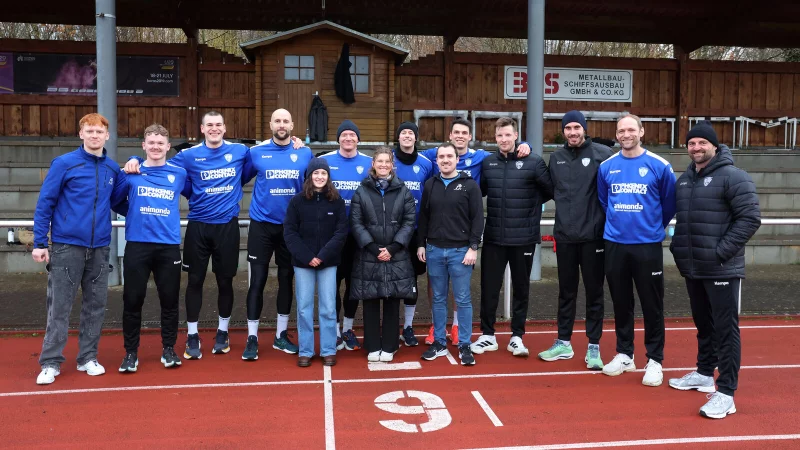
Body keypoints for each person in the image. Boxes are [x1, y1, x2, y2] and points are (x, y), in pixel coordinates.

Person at [124, 111, 248, 359]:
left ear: (225, 128)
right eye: (209, 125)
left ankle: (222, 332)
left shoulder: (240, 152)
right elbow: (156, 160)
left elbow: (264, 159)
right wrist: (134, 158)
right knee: (194, 281)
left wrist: (296, 143)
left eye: (218, 125)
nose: (214, 128)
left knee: (225, 281)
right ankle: (192, 334)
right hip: (198, 227)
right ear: (202, 129)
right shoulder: (187, 156)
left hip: (227, 226)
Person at [668, 122, 761, 419]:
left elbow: (750, 219)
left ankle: (726, 392)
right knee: (703, 325)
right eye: (691, 143)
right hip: (693, 268)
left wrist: (720, 252)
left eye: (702, 143)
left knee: (725, 330)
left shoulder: (734, 177)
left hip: (721, 268)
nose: (696, 148)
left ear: (714, 146)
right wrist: (678, 250)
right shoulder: (684, 180)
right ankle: (704, 372)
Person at [419, 118, 532, 345]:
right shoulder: (434, 155)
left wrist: (526, 144)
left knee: (461, 292)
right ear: (450, 136)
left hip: (461, 237)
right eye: (456, 132)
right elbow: (407, 148)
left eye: (464, 132)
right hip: (436, 237)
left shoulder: (481, 157)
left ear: (470, 137)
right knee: (436, 288)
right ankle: (436, 326)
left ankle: (457, 328)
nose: (460, 136)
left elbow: (506, 147)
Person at [32, 113, 121, 385]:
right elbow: (45, 202)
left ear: (107, 136)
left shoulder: (112, 170)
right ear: (81, 134)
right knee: (59, 307)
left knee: (96, 306)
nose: (95, 135)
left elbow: (119, 202)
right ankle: (50, 362)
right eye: (89, 131)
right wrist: (39, 242)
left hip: (99, 248)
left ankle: (88, 358)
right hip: (66, 247)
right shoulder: (64, 164)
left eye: (99, 131)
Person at [597, 113, 676, 387]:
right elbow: (605, 202)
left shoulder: (660, 165)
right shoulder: (607, 167)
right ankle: (624, 353)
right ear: (616, 135)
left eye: (631, 129)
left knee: (652, 304)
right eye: (621, 130)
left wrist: (652, 226)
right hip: (616, 244)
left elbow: (668, 205)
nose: (626, 134)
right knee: (621, 302)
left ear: (642, 132)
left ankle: (655, 359)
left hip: (647, 246)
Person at [537, 110, 612, 370]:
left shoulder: (602, 154)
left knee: (594, 293)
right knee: (566, 292)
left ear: (584, 129)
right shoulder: (555, 158)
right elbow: (547, 189)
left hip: (593, 238)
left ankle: (594, 346)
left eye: (576, 127)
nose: (572, 132)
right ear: (563, 131)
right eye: (568, 128)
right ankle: (563, 342)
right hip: (565, 238)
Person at [472, 117, 553, 357]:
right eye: (499, 136)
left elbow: (549, 191)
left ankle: (517, 336)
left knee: (521, 289)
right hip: (495, 237)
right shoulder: (488, 163)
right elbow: (480, 191)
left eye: (508, 135)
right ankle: (488, 335)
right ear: (495, 138)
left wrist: (528, 209)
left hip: (524, 239)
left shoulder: (534, 161)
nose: (504, 139)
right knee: (488, 288)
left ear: (516, 136)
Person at [111, 124, 187, 372]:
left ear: (167, 147)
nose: (155, 147)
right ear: (144, 146)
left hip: (168, 247)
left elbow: (196, 195)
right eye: (150, 143)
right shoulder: (131, 172)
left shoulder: (179, 174)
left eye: (160, 143)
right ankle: (131, 353)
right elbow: (116, 201)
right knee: (132, 300)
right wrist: (133, 213)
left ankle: (168, 349)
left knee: (170, 301)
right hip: (138, 246)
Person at [241, 109, 312, 360]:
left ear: (292, 125)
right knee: (257, 281)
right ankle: (252, 337)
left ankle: (281, 335)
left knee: (285, 280)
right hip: (261, 226)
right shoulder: (256, 153)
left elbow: (310, 186)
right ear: (270, 124)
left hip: (290, 228)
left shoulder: (304, 152)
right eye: (277, 121)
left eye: (285, 121)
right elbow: (239, 178)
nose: (281, 125)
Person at [418, 142, 484, 366]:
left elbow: (477, 218)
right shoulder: (430, 185)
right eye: (441, 157)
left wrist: (473, 247)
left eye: (449, 156)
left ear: (457, 159)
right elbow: (424, 217)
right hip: (434, 250)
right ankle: (438, 341)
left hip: (460, 252)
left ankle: (465, 344)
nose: (445, 160)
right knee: (437, 298)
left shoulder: (470, 185)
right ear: (436, 161)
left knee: (463, 299)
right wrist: (421, 244)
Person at [350, 147, 417, 362]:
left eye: (387, 161)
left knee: (392, 299)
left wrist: (393, 248)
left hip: (395, 254)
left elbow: (409, 222)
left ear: (392, 165)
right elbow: (356, 222)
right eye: (379, 161)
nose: (383, 165)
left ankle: (389, 345)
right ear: (373, 164)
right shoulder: (362, 190)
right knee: (370, 299)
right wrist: (373, 247)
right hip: (370, 253)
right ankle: (371, 345)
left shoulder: (402, 190)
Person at [283, 157, 348, 367]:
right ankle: (306, 350)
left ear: (328, 177)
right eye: (316, 173)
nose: (320, 177)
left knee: (328, 308)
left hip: (328, 262)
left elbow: (341, 232)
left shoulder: (336, 201)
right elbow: (290, 232)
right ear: (309, 176)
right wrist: (307, 256)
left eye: (324, 173)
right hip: (303, 263)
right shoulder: (297, 201)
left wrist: (323, 255)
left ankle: (328, 349)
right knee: (304, 307)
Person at [320, 120, 373, 351]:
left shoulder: (368, 163)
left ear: (358, 139)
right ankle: (334, 329)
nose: (348, 138)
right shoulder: (326, 161)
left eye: (352, 135)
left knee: (354, 285)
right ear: (338, 139)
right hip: (332, 235)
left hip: (358, 235)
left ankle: (348, 328)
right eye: (344, 135)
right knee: (332, 284)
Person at [392, 122, 434, 347]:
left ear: (416, 138)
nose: (407, 135)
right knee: (391, 278)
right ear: (397, 137)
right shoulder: (387, 159)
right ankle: (390, 325)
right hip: (391, 231)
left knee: (412, 281)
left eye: (411, 132)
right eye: (403, 132)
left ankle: (408, 327)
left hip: (417, 232)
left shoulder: (426, 163)